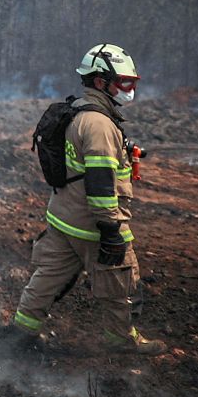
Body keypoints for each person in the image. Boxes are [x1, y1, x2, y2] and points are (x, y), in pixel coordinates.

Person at [11, 43, 166, 355]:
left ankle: (20, 334)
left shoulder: (80, 110)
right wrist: (111, 231)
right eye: (124, 83)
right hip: (92, 225)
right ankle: (121, 340)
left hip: (63, 217)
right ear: (100, 82)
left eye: (132, 83)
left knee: (46, 279)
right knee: (118, 284)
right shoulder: (99, 124)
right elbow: (99, 183)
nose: (130, 89)